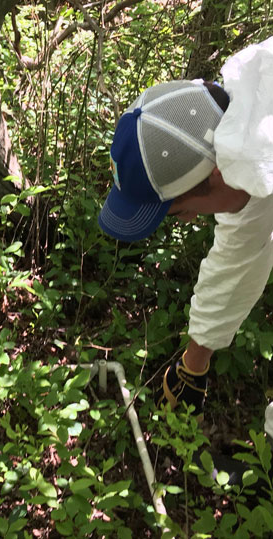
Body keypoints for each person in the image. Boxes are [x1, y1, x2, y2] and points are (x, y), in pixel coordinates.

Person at [98, 36, 273, 439]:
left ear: (216, 174)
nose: (189, 218)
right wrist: (193, 365)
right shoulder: (242, 129)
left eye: (180, 210)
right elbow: (239, 250)